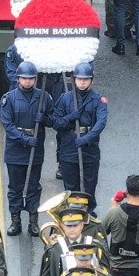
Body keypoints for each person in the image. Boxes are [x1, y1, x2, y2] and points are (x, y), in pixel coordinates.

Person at [0, 60, 50, 237]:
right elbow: (8, 125)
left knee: (34, 186)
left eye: (30, 78)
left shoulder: (44, 96)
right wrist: (25, 139)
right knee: (15, 187)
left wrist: (44, 118)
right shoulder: (9, 98)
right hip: (16, 150)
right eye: (24, 78)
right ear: (18, 79)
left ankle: (33, 221)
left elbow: (53, 119)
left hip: (35, 150)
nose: (27, 81)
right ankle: (15, 220)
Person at [51, 61, 109, 199]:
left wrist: (86, 139)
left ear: (91, 81)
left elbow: (101, 123)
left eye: (86, 79)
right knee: (71, 189)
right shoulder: (65, 98)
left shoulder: (98, 100)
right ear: (74, 80)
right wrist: (70, 118)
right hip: (70, 146)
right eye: (79, 79)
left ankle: (88, 215)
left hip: (89, 148)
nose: (82, 82)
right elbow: (55, 122)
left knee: (89, 187)